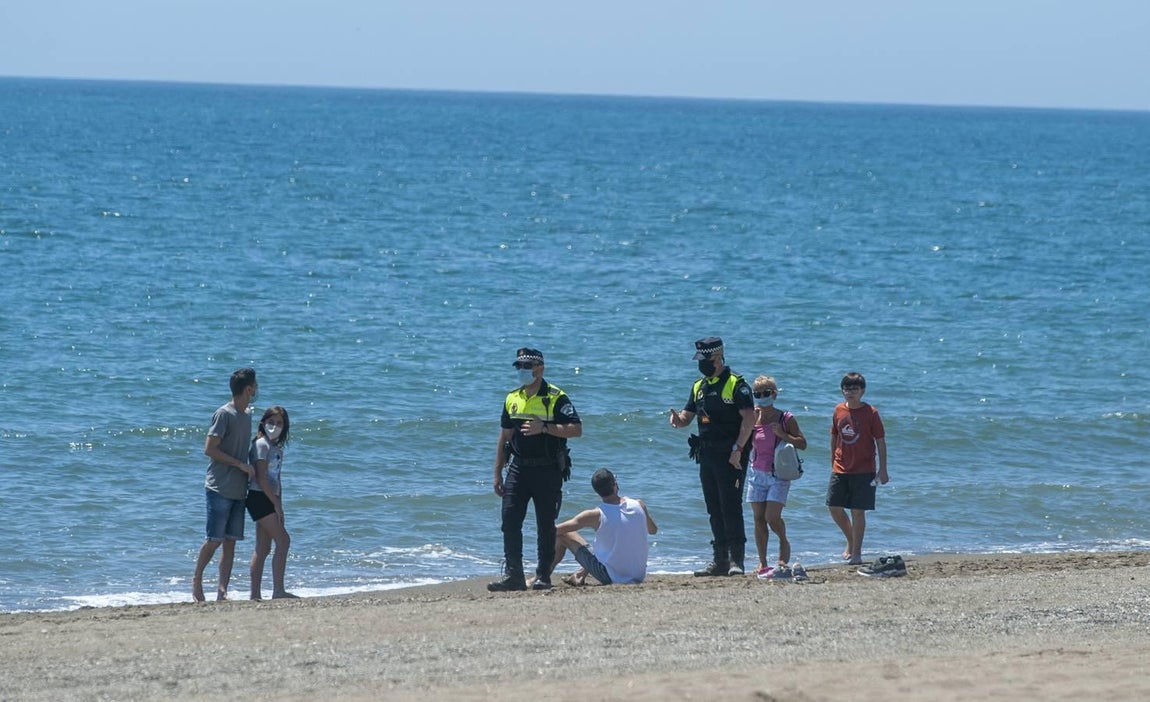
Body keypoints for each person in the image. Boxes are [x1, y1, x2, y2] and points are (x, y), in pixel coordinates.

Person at [489, 347, 583, 592]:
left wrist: (545, 428)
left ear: (540, 369)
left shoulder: (556, 397)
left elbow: (576, 429)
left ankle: (543, 576)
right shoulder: (512, 398)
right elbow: (504, 438)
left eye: (527, 367)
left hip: (547, 470)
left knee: (545, 525)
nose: (522, 370)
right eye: (519, 366)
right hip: (518, 469)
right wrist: (497, 472)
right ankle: (514, 576)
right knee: (509, 522)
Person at [668, 337, 755, 576]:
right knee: (714, 508)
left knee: (731, 506)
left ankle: (737, 561)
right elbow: (687, 417)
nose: (701, 364)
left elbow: (750, 419)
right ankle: (720, 561)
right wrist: (678, 421)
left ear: (718, 357)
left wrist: (738, 449)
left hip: (731, 455)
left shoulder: (736, 384)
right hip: (707, 454)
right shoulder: (699, 386)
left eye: (705, 359)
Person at [192, 368, 257, 602]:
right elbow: (209, 449)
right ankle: (197, 580)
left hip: (239, 489)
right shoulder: (224, 414)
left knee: (230, 542)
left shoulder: (247, 414)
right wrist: (239, 464)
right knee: (214, 539)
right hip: (219, 486)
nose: (257, 389)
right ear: (249, 389)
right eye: (255, 385)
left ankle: (222, 591)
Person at [549, 468, 658, 586]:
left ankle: (542, 575)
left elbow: (554, 530)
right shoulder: (639, 504)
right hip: (638, 574)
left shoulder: (597, 515)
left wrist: (543, 532)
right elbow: (653, 530)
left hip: (610, 576)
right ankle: (579, 575)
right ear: (615, 484)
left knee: (564, 534)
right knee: (610, 543)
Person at [747, 376, 808, 579]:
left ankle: (783, 541)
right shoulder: (752, 417)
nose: (761, 397)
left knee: (771, 517)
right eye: (757, 394)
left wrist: (783, 434)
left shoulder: (785, 418)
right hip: (756, 473)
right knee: (758, 519)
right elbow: (743, 440)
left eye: (766, 393)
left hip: (778, 475)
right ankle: (763, 562)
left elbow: (802, 443)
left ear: (774, 394)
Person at [827, 371, 888, 567]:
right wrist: (832, 461)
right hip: (840, 468)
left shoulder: (871, 412)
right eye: (846, 388)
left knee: (858, 512)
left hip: (864, 469)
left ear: (862, 391)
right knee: (834, 507)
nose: (850, 392)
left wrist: (883, 469)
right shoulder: (838, 410)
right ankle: (851, 540)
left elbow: (880, 441)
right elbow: (834, 436)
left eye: (855, 388)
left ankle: (856, 553)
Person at [246, 405, 298, 600]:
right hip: (258, 497)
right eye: (271, 422)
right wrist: (274, 503)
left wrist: (279, 505)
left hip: (270, 498)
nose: (274, 426)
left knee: (263, 547)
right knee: (283, 541)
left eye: (279, 423)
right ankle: (278, 590)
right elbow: (261, 478)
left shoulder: (277, 449)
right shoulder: (261, 445)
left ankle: (255, 595)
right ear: (263, 423)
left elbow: (277, 479)